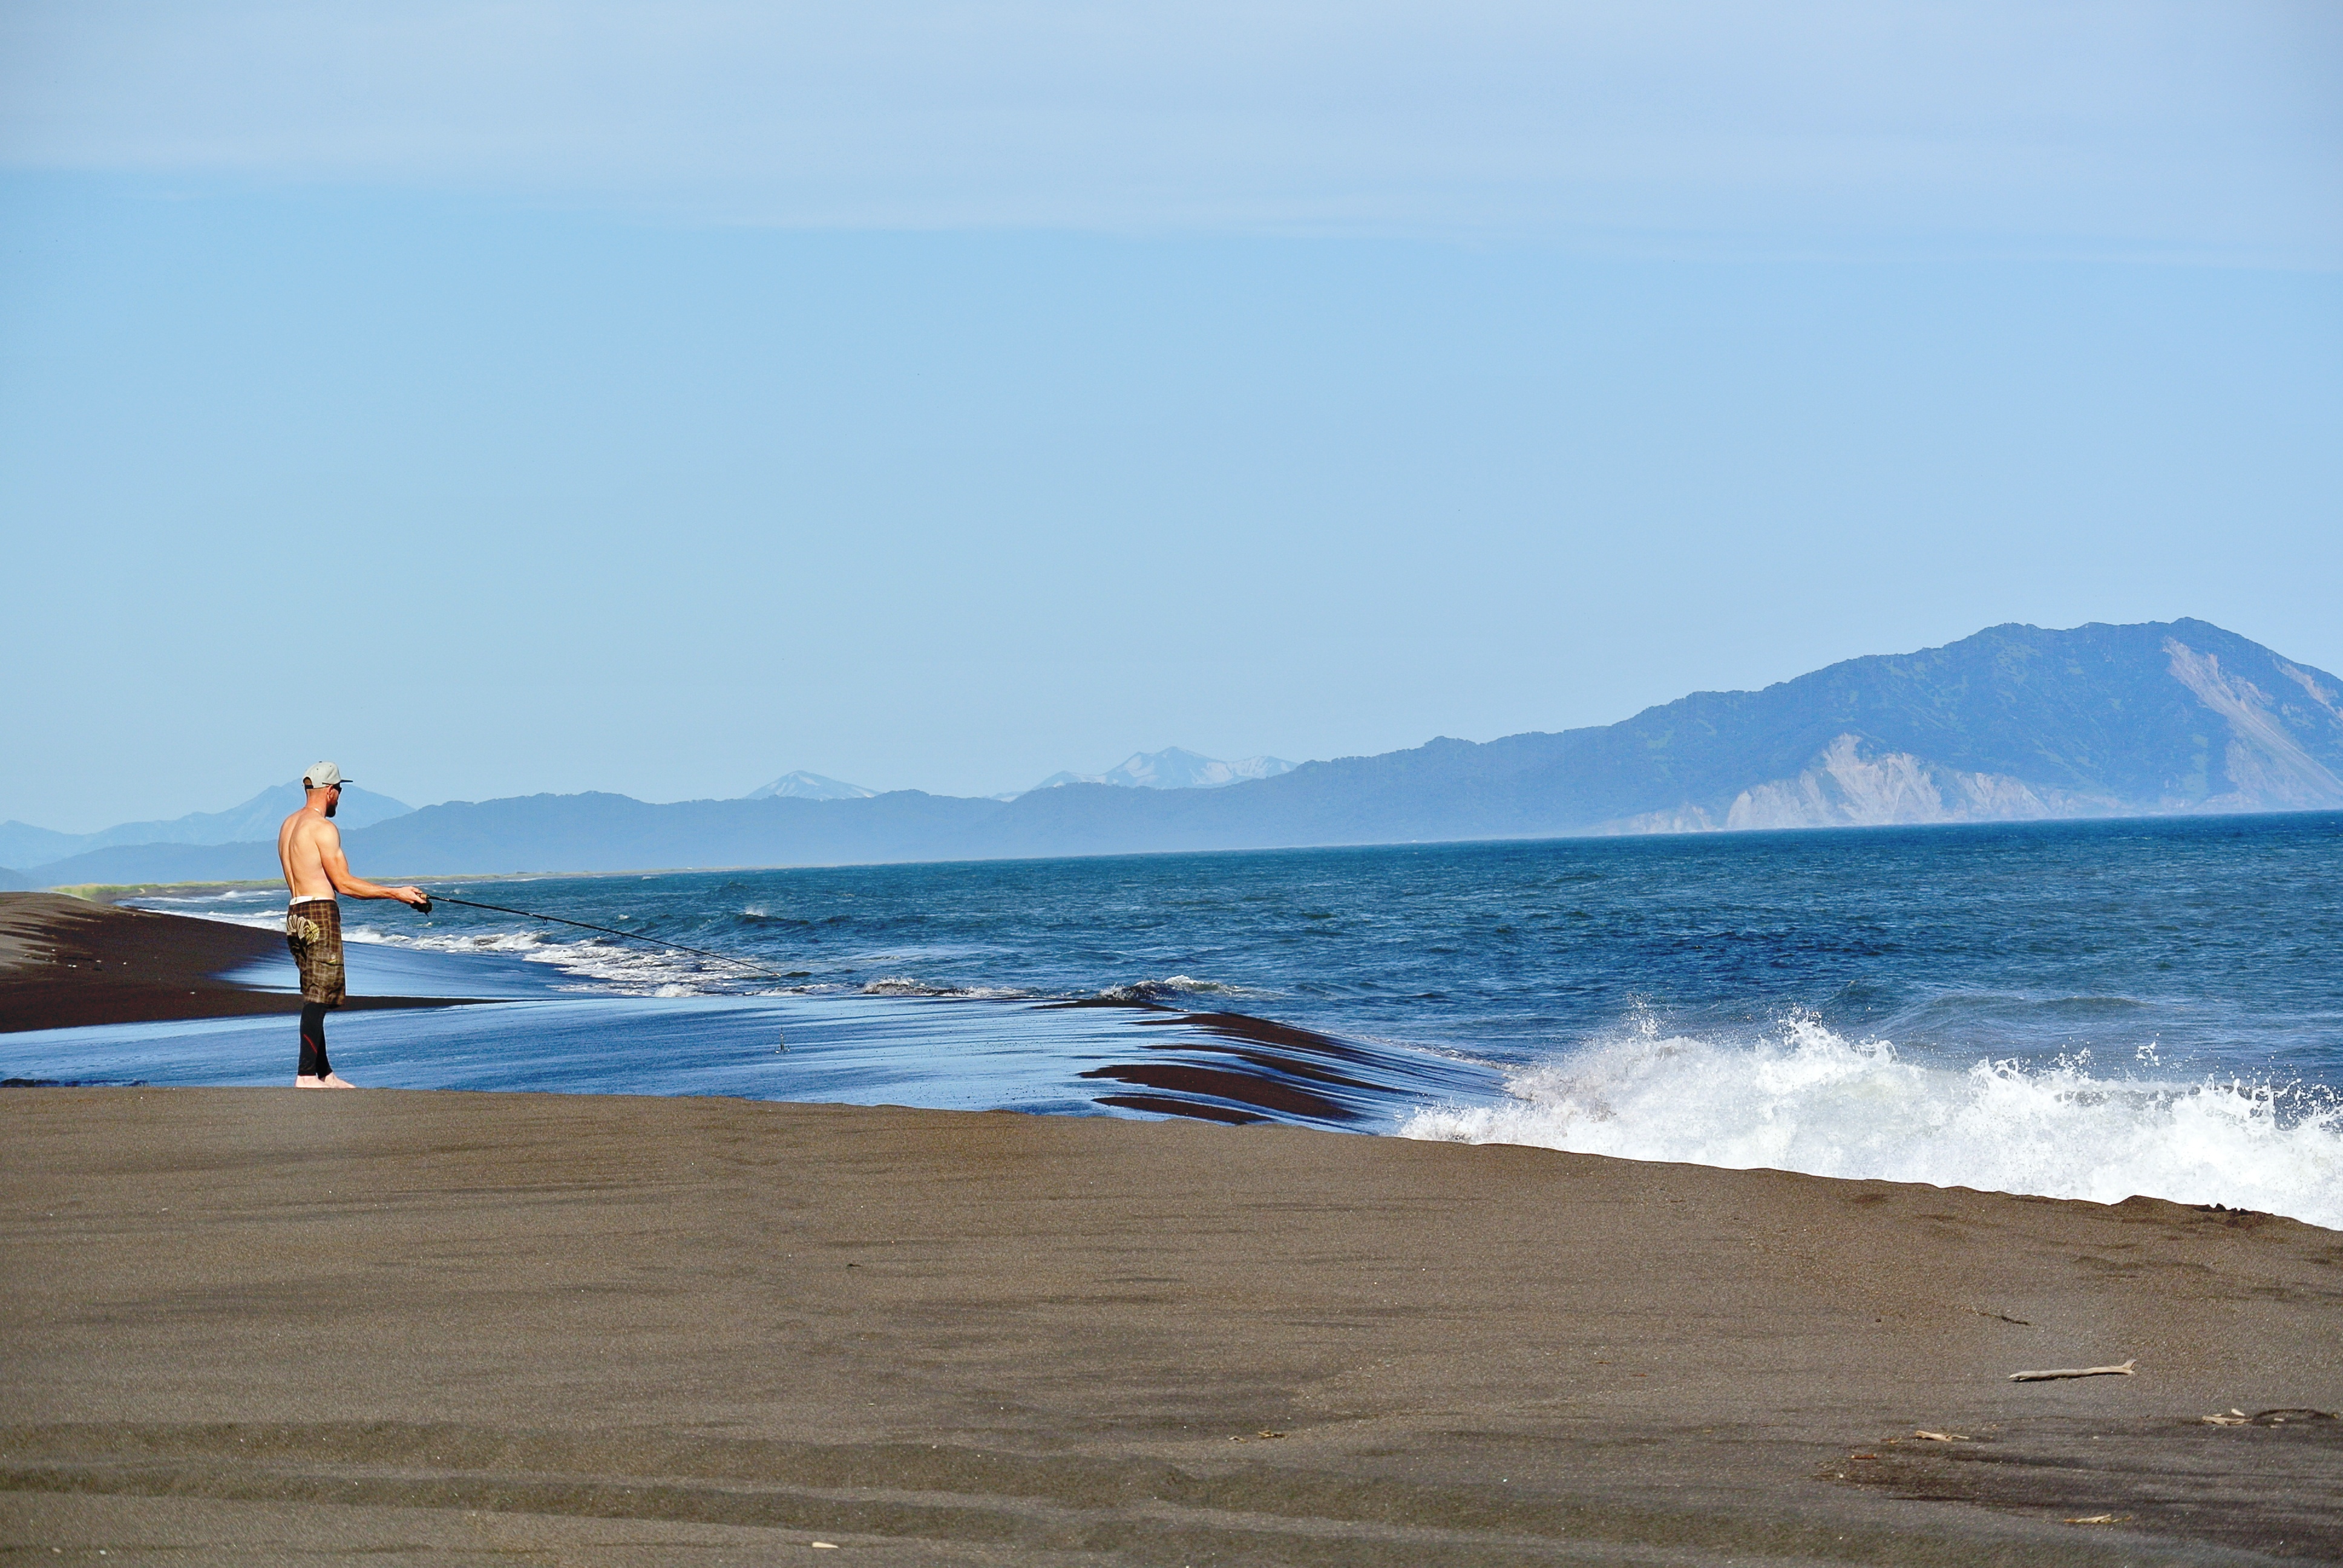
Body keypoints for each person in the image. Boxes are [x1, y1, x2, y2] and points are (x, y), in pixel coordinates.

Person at [276, 762, 427, 1088]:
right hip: (319, 914)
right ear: (330, 791)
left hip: (294, 914)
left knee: (316, 994)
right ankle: (305, 1075)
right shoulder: (322, 828)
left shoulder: (288, 825)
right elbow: (344, 884)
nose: (339, 798)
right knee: (319, 997)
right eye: (340, 791)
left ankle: (324, 1074)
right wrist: (396, 893)